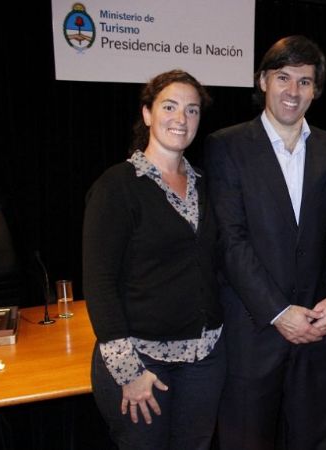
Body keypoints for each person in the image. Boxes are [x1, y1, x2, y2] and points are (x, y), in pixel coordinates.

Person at [204, 35, 326, 450]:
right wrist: (278, 311)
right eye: (283, 77)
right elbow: (230, 243)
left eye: (305, 82)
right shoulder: (226, 146)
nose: (293, 91)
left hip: (316, 331)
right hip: (253, 333)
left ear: (316, 90)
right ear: (262, 81)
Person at [83, 69, 224, 450]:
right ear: (147, 114)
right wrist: (129, 373)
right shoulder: (117, 186)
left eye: (192, 110)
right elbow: (98, 286)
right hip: (143, 364)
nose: (181, 119)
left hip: (205, 360)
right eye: (170, 106)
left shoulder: (207, 185)